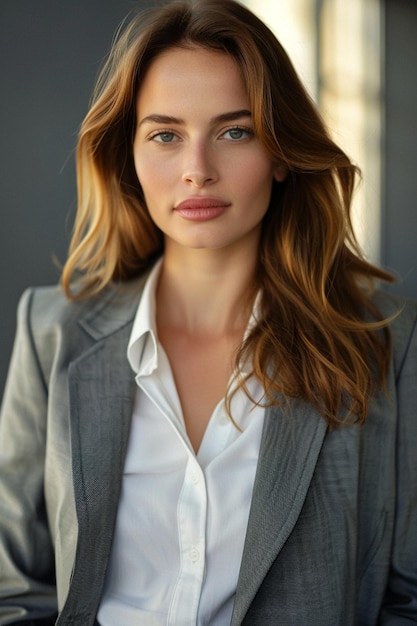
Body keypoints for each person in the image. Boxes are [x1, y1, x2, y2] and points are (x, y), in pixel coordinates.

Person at [1, 0, 416, 624]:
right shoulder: (49, 333)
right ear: (129, 157)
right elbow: (13, 589)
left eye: (234, 131)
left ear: (280, 154)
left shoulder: (384, 340)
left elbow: (408, 600)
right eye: (165, 134)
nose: (197, 171)